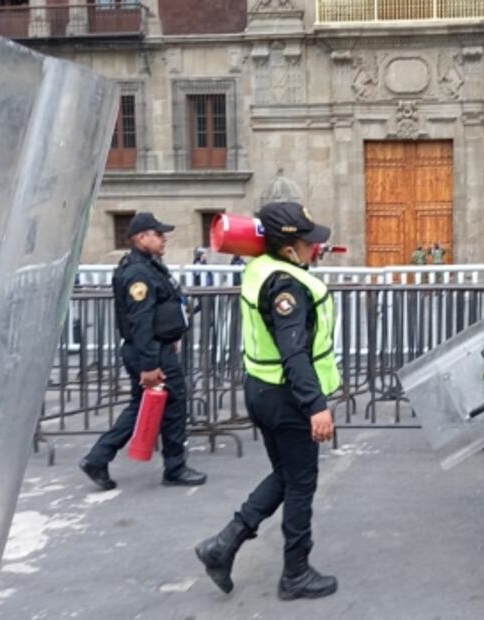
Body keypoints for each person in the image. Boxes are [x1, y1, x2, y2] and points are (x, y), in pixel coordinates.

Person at [195, 201, 340, 600]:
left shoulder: (261, 268)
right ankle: (295, 573)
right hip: (287, 397)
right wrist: (316, 406)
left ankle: (222, 546)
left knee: (285, 476)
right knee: (300, 485)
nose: (315, 247)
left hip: (262, 389)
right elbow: (294, 352)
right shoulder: (287, 286)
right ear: (288, 246)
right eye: (308, 241)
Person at [79, 212, 206, 489]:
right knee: (173, 405)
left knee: (141, 406)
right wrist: (150, 364)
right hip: (150, 352)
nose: (164, 239)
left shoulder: (148, 265)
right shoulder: (139, 272)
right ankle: (175, 468)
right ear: (141, 237)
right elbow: (141, 320)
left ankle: (97, 458)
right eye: (158, 234)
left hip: (153, 348)